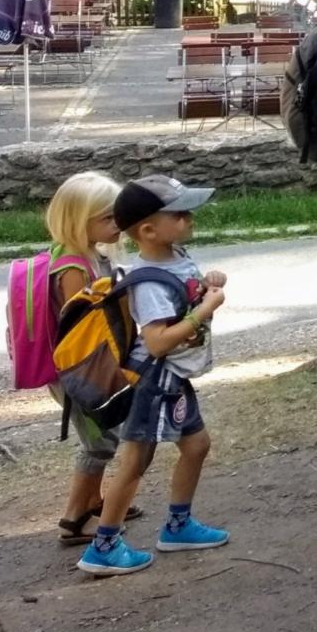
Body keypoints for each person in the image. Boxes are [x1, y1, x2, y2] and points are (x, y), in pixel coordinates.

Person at [78, 175, 228, 577]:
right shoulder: (147, 281)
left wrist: (207, 286)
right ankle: (104, 546)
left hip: (174, 378)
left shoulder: (175, 254)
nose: (189, 218)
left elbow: (187, 293)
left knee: (196, 446)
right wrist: (205, 310)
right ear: (147, 230)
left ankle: (178, 526)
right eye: (179, 214)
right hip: (156, 379)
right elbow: (158, 341)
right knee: (135, 461)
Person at [43, 172, 144, 546]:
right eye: (107, 219)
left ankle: (95, 501)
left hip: (88, 365)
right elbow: (85, 330)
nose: (117, 224)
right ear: (78, 222)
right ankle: (73, 518)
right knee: (100, 442)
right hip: (81, 370)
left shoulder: (86, 256)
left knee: (104, 437)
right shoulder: (73, 268)